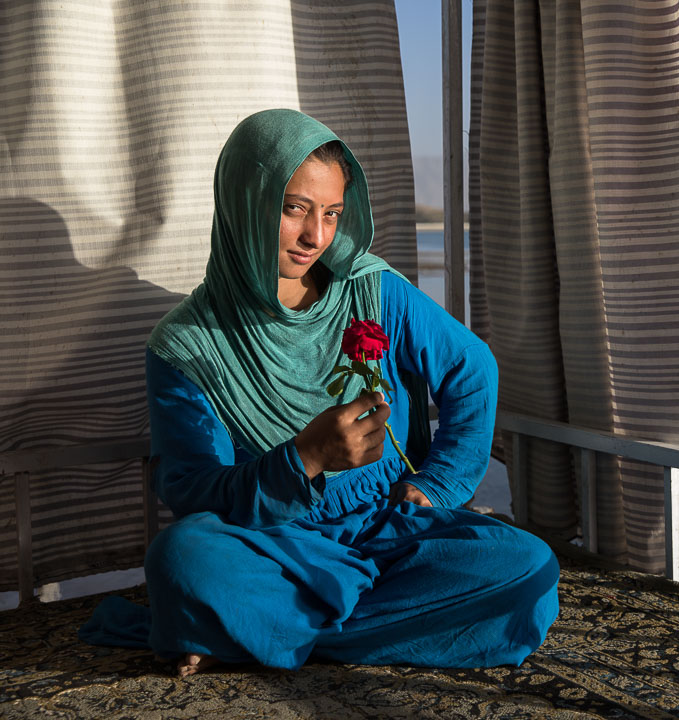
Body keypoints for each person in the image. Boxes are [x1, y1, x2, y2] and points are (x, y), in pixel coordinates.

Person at [79, 109, 560, 676]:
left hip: (392, 532)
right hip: (280, 548)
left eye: (331, 213)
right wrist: (305, 458)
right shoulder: (185, 345)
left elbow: (473, 369)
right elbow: (193, 491)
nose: (316, 236)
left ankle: (258, 633)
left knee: (528, 565)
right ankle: (309, 624)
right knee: (182, 557)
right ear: (243, 202)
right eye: (294, 209)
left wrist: (437, 485)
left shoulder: (374, 292)